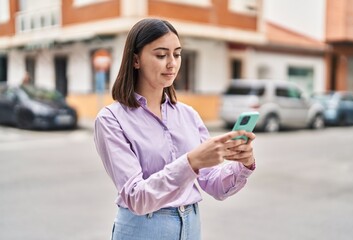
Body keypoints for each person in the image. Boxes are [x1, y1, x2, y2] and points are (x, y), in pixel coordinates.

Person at [94, 18, 256, 240]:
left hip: (191, 226)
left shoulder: (188, 115)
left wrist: (242, 164)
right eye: (161, 55)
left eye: (177, 54)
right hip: (143, 229)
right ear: (135, 60)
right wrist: (191, 162)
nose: (172, 63)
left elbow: (214, 185)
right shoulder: (111, 119)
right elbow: (136, 197)